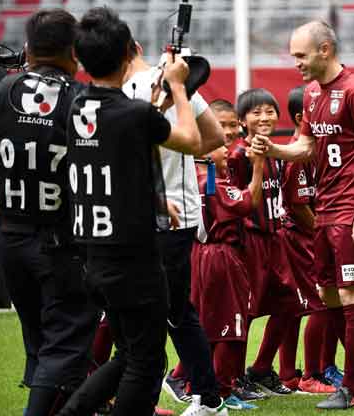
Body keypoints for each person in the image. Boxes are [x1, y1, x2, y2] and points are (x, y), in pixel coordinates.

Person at [55, 7, 219, 416]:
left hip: (93, 249)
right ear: (131, 49)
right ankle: (207, 395)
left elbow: (118, 163)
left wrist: (152, 196)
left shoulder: (75, 106)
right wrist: (178, 89)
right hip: (134, 253)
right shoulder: (134, 111)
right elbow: (192, 139)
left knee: (127, 353)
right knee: (147, 361)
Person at [251, 20, 354, 409]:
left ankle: (353, 387)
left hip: (350, 211)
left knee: (349, 291)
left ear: (324, 50)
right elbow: (307, 146)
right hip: (324, 210)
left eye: (301, 55)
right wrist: (274, 150)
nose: (296, 63)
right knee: (328, 295)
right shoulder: (311, 93)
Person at [0, 8, 99, 416]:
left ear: (27, 48)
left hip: (11, 242)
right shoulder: (82, 100)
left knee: (44, 345)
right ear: (74, 50)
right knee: (64, 345)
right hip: (61, 246)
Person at [120, 42, 227, 415]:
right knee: (161, 314)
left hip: (164, 217)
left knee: (170, 313)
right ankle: (146, 399)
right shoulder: (167, 83)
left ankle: (208, 398)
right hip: (153, 217)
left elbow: (214, 139)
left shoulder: (165, 83)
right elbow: (212, 138)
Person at [227, 88, 299, 397]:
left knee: (290, 305)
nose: (264, 116)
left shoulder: (275, 152)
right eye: (256, 112)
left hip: (275, 240)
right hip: (250, 242)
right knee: (245, 312)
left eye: (269, 110)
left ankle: (260, 369)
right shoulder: (239, 155)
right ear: (243, 121)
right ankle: (230, 377)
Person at [191, 143, 264, 410]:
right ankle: (220, 393)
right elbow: (250, 201)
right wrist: (258, 165)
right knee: (230, 326)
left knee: (207, 323)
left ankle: (200, 388)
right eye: (219, 145)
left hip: (200, 254)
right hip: (222, 256)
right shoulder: (214, 184)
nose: (227, 150)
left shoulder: (198, 180)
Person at [276, 85, 337, 394]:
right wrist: (323, 233)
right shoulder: (297, 155)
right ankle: (310, 375)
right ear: (302, 118)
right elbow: (299, 206)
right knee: (321, 304)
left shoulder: (317, 150)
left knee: (292, 307)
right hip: (300, 238)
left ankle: (288, 373)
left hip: (304, 236)